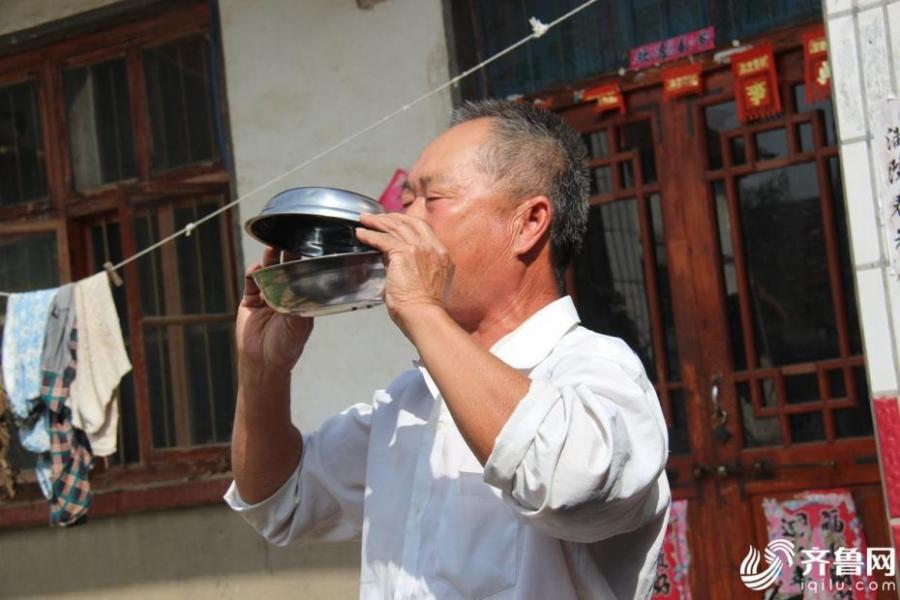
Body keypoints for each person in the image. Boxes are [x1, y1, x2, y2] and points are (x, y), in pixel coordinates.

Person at [225, 100, 671, 600]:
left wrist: (419, 308)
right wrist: (263, 371)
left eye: (430, 199)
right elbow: (280, 501)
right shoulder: (409, 403)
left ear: (528, 223)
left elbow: (568, 483)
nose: (399, 223)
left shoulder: (597, 371)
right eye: (405, 199)